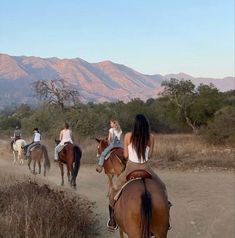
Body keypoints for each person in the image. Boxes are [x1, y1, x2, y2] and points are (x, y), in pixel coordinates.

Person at [107, 114, 170, 230]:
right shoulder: (151, 137)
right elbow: (149, 156)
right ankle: (167, 219)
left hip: (131, 168)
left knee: (113, 189)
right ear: (146, 125)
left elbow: (125, 155)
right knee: (162, 187)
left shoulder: (127, 136)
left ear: (134, 125)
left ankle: (112, 220)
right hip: (146, 168)